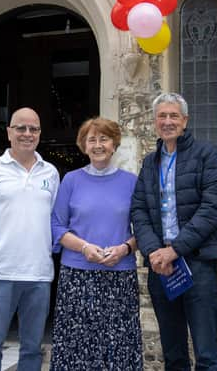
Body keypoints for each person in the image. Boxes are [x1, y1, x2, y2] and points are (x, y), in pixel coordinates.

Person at [131, 93, 217, 371]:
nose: (167, 121)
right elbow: (138, 211)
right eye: (162, 116)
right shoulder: (149, 163)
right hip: (161, 267)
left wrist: (175, 249)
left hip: (196, 263)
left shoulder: (207, 154)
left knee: (207, 354)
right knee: (173, 354)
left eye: (173, 116)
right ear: (155, 122)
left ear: (185, 120)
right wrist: (154, 251)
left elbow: (213, 207)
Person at [0, 107, 60, 371]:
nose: (27, 134)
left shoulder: (51, 173)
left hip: (39, 274)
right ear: (9, 132)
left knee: (32, 348)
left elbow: (53, 218)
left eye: (33, 129)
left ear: (39, 134)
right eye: (21, 128)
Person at [50, 117, 143, 370]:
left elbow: (144, 229)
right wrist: (84, 247)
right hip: (77, 276)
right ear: (84, 146)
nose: (98, 145)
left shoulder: (131, 182)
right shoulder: (70, 180)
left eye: (104, 139)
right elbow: (57, 226)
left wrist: (125, 248)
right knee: (76, 345)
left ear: (114, 144)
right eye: (92, 139)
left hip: (119, 277)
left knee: (119, 346)